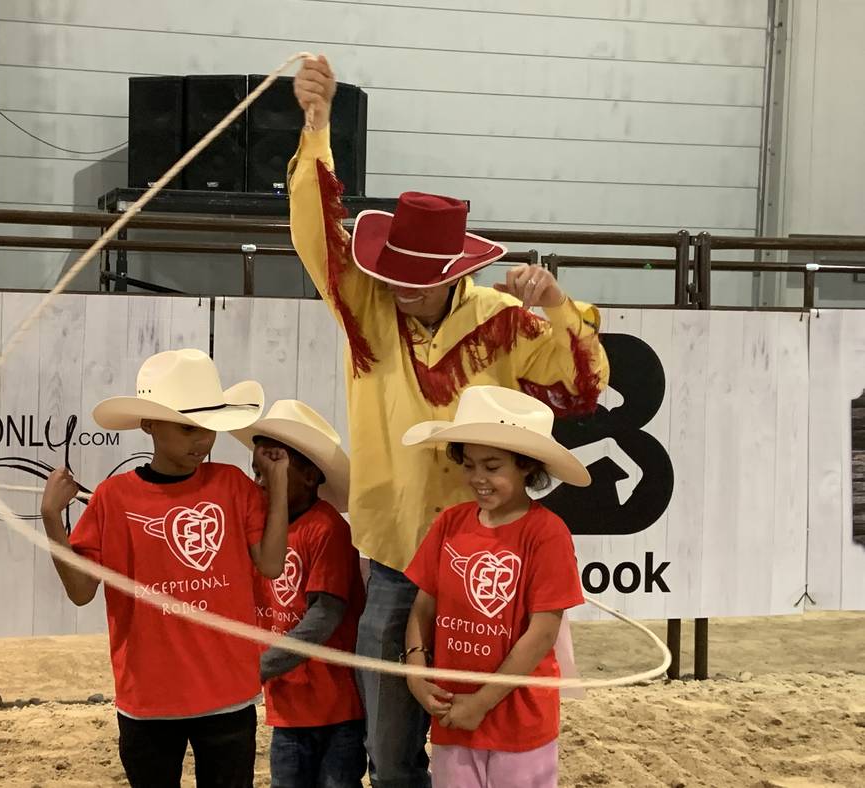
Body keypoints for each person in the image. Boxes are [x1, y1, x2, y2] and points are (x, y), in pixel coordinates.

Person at [289, 55, 610, 786]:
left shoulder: (503, 323)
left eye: (416, 280)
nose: (400, 291)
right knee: (391, 751)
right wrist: (316, 127)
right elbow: (317, 234)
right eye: (393, 275)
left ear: (451, 274)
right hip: (401, 554)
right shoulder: (367, 304)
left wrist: (558, 306)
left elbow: (582, 381)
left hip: (485, 551)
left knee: (490, 738)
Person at [40, 348, 290, 788]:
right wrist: (51, 523)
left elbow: (270, 565)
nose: (203, 440)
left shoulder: (233, 485)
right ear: (149, 425)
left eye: (208, 428)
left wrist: (281, 481)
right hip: (148, 698)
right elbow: (81, 592)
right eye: (189, 427)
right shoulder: (113, 499)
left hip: (227, 693)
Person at [403, 386, 589, 787]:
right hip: (454, 711)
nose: (477, 479)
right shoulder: (450, 523)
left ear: (526, 465)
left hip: (518, 721)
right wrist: (416, 671)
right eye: (469, 465)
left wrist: (482, 703)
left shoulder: (546, 533)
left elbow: (542, 634)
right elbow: (423, 606)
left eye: (492, 466)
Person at [233, 399, 367, 787]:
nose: (262, 483)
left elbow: (324, 615)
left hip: (336, 705)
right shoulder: (260, 534)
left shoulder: (326, 529)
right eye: (258, 473)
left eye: (275, 472)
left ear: (310, 476)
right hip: (288, 705)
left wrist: (256, 667)